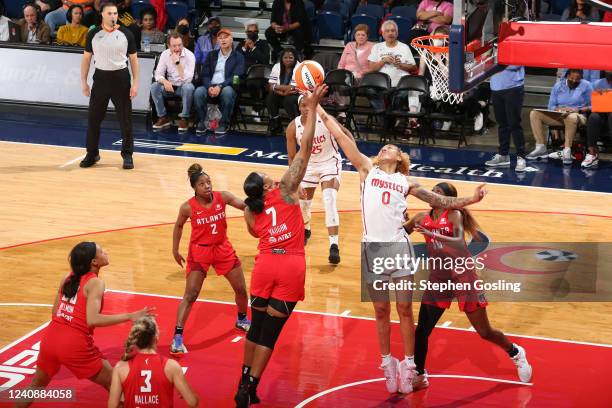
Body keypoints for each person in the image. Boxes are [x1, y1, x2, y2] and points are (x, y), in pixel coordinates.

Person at [327, 117, 487, 394]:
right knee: (380, 310)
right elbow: (342, 138)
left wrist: (471, 200)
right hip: (373, 250)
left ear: (399, 158)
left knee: (404, 310)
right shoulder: (367, 169)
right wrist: (317, 108)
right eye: (385, 146)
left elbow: (442, 202)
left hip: (399, 249)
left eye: (392, 147)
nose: (386, 147)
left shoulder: (406, 182)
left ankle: (409, 365)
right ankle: (387, 362)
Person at [234, 84, 328, 407]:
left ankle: (243, 380)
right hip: (289, 264)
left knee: (255, 330)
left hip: (263, 265)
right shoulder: (288, 188)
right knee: (270, 336)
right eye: (266, 175)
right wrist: (312, 108)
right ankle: (251, 387)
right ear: (267, 185)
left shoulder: (250, 210)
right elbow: (305, 149)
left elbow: (253, 233)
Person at [405, 182, 532, 389]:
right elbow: (401, 233)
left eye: (438, 193)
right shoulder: (420, 218)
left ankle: (515, 352)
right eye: (432, 191)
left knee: (484, 332)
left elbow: (456, 242)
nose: (433, 194)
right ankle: (419, 374)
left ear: (448, 199)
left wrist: (432, 234)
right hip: (439, 277)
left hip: (463, 275)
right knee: (422, 331)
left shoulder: (454, 214)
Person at [15, 242, 154, 408]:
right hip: (74, 344)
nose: (106, 251)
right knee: (117, 387)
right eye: (102, 250)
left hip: (50, 339)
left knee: (34, 387)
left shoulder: (67, 277)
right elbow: (92, 320)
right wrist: (130, 316)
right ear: (94, 262)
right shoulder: (95, 283)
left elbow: (55, 314)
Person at [171, 163, 251, 355]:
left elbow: (244, 206)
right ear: (194, 188)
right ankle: (177, 337)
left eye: (209, 182)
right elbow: (179, 226)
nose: (207, 186)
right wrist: (175, 249)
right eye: (202, 184)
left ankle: (242, 319)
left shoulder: (223, 197)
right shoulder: (187, 207)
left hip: (222, 248)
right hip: (200, 252)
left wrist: (261, 199)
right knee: (191, 294)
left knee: (240, 288)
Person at [286, 94, 346, 263]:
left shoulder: (325, 120)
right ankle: (306, 228)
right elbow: (292, 157)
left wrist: (353, 150)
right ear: (299, 107)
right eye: (303, 105)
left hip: (329, 162)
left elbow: (345, 133)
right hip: (308, 166)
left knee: (329, 199)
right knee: (304, 203)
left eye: (310, 105)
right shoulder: (293, 127)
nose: (307, 108)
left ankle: (334, 245)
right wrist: (295, 181)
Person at [80, 2, 139, 169]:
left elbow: (134, 60)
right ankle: (92, 153)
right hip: (100, 78)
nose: (113, 16)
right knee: (93, 118)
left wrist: (136, 84)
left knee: (125, 119)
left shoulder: (126, 33)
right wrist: (84, 81)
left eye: (115, 13)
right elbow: (86, 59)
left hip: (121, 78)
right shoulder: (93, 34)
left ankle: (127, 154)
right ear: (102, 15)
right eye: (110, 13)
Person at [108, 316, 199, 408]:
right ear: (156, 338)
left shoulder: (120, 367)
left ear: (135, 340)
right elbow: (193, 402)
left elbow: (112, 406)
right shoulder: (171, 366)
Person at [526, 69, 592, 165]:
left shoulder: (587, 85)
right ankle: (541, 147)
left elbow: (593, 106)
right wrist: (559, 109)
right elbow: (551, 106)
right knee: (535, 113)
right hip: (560, 115)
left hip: (578, 115)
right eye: (572, 78)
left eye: (577, 79)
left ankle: (567, 150)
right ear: (567, 76)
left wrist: (578, 110)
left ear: (581, 78)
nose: (574, 81)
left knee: (572, 117)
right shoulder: (558, 86)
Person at [194, 28, 245, 135]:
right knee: (199, 92)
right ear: (217, 41)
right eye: (220, 38)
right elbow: (205, 74)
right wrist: (209, 86)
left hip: (227, 86)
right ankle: (202, 122)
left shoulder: (239, 57)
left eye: (225, 37)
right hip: (211, 86)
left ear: (231, 40)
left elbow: (236, 76)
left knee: (227, 92)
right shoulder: (211, 55)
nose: (223, 40)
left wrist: (220, 86)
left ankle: (224, 124)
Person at [151, 31, 196, 133]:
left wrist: (178, 63)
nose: (177, 48)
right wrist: (165, 82)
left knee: (188, 87)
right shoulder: (164, 54)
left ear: (183, 43)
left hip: (183, 87)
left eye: (179, 45)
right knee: (154, 87)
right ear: (168, 46)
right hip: (169, 86)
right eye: (174, 46)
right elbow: (158, 74)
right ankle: (163, 117)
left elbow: (188, 79)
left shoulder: (190, 56)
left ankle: (184, 119)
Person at [484, 66, 526, 172]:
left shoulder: (514, 48)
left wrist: (494, 61)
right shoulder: (492, 48)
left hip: (513, 87)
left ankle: (521, 157)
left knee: (514, 124)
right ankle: (503, 155)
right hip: (496, 88)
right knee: (502, 124)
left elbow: (515, 65)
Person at [582, 71, 612, 168]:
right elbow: (589, 104)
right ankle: (592, 153)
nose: (610, 72)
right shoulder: (596, 84)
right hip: (601, 113)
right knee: (593, 117)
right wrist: (599, 97)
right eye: (608, 70)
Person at [267, 47, 300, 134]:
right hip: (282, 93)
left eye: (290, 57)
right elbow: (270, 85)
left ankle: (296, 125)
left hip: (296, 94)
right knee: (270, 97)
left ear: (295, 58)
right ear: (281, 58)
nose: (288, 60)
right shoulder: (277, 66)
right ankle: (276, 123)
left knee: (288, 100)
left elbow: (293, 87)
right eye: (285, 57)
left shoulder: (299, 67)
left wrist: (277, 87)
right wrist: (282, 92)